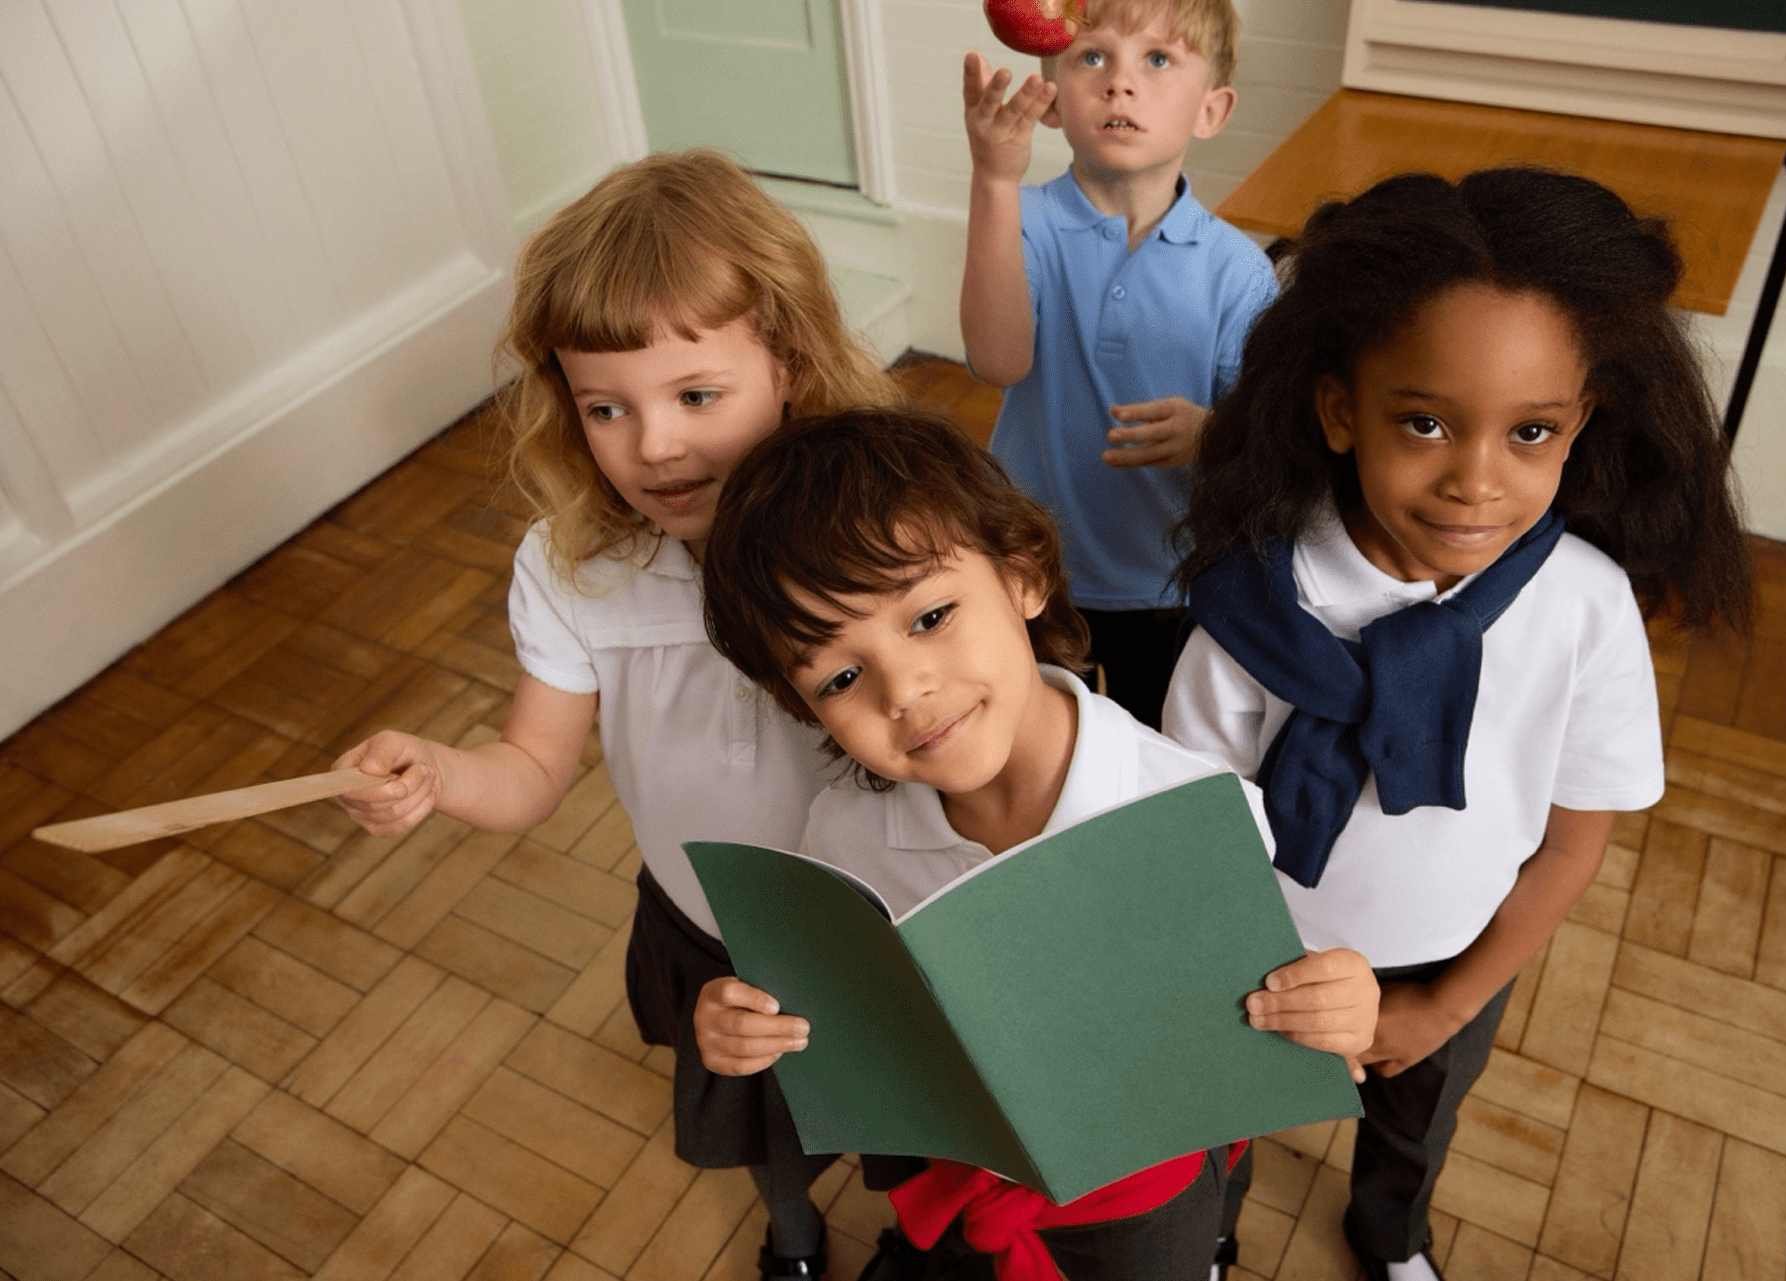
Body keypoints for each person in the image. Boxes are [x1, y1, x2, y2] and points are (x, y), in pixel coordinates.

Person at [1164, 168, 1754, 1281]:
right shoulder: (1252, 611)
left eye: (1530, 431)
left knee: (1416, 1129)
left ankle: (1391, 1236)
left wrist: (1443, 1005)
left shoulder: (1584, 610)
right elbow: (1188, 841)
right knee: (1223, 1119)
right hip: (1263, 956)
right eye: (1425, 423)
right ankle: (1211, 1233)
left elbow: (1573, 842)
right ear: (1340, 410)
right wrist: (1262, 974)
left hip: (1462, 952)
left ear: (1580, 424)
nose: (1476, 482)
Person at [329, 150, 907, 1280]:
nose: (654, 445)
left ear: (789, 361)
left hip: (880, 922)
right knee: (764, 1130)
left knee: (906, 1133)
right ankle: (793, 1237)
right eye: (606, 407)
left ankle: (914, 1238)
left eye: (697, 395)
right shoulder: (570, 566)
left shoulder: (883, 526)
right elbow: (532, 766)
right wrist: (442, 775)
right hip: (708, 929)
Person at [693, 407, 1379, 1281]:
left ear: (1023, 574)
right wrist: (748, 1021)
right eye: (841, 676)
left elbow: (1274, 990)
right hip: (957, 1163)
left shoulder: (1191, 811)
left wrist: (1337, 1001)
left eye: (930, 615)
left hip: (1143, 1186)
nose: (903, 690)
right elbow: (835, 1008)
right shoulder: (843, 829)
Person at [960, 0, 1276, 729]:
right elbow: (997, 360)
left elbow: (1268, 435)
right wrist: (993, 181)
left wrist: (1213, 432)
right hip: (1030, 567)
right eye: (1093, 56)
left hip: (1169, 581)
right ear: (1050, 99)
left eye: (1158, 59)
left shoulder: (1237, 271)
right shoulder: (1020, 218)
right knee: (1031, 738)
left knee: (1156, 748)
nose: (1120, 82)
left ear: (1211, 110)